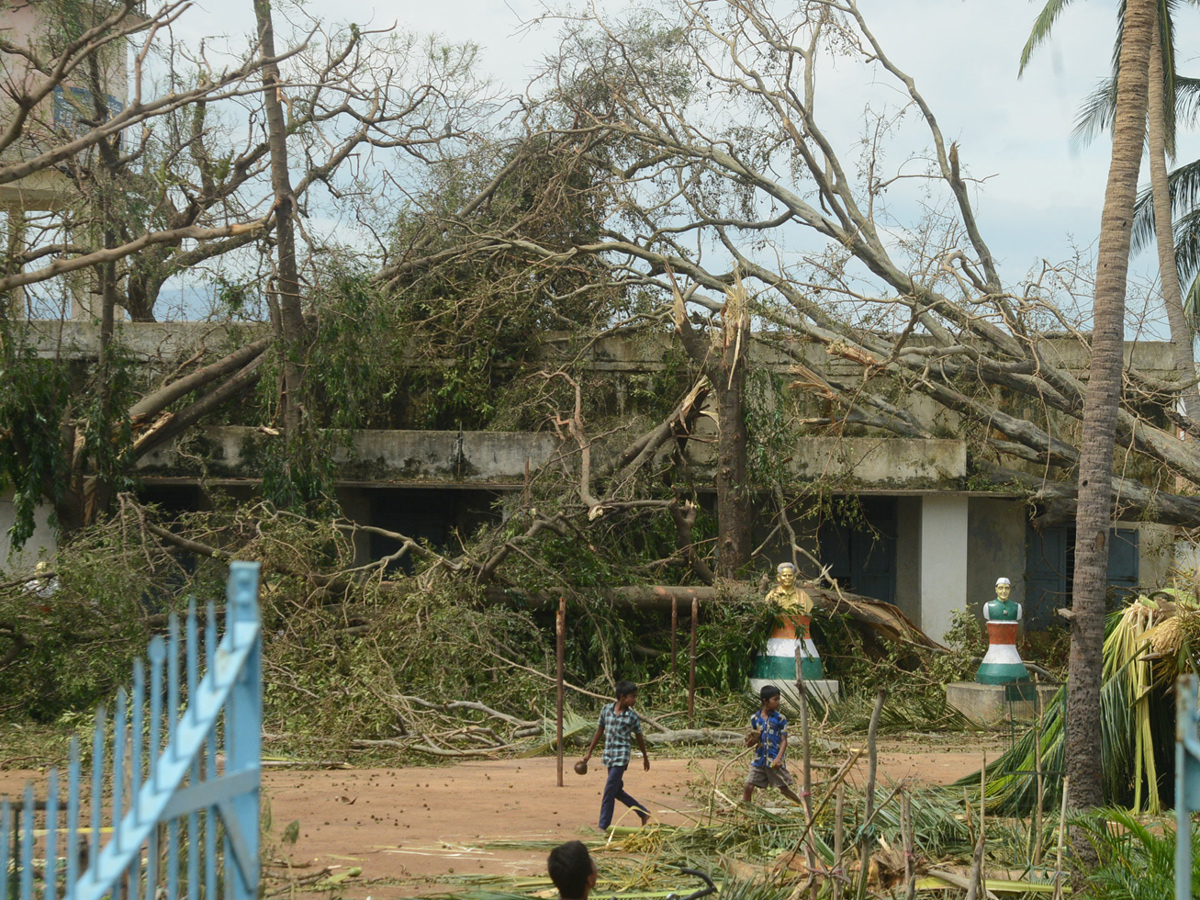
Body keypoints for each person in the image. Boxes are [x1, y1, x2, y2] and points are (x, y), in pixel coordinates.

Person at [581, 680, 650, 829]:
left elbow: (639, 737)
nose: (635, 700)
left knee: (608, 791)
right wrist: (589, 753)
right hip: (609, 756)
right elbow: (599, 731)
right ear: (622, 697)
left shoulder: (632, 717)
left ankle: (603, 826)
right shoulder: (606, 710)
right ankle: (643, 813)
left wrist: (645, 757)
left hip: (621, 757)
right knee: (616, 791)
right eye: (632, 697)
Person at [742, 684, 803, 805]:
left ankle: (803, 806)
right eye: (775, 699)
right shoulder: (755, 718)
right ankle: (745, 813)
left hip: (774, 759)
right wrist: (750, 741)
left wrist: (779, 758)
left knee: (784, 789)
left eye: (778, 699)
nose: (778, 702)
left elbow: (784, 740)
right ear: (765, 701)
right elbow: (750, 742)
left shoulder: (780, 719)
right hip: (759, 760)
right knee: (748, 786)